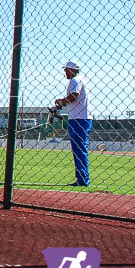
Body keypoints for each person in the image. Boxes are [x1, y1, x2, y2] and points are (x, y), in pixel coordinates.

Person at [54, 59, 91, 187]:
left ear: (73, 70)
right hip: (79, 118)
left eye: (66, 70)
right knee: (79, 149)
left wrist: (61, 101)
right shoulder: (78, 80)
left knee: (79, 149)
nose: (65, 72)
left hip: (79, 119)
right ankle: (82, 178)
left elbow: (74, 96)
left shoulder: (75, 80)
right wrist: (62, 104)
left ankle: (83, 179)